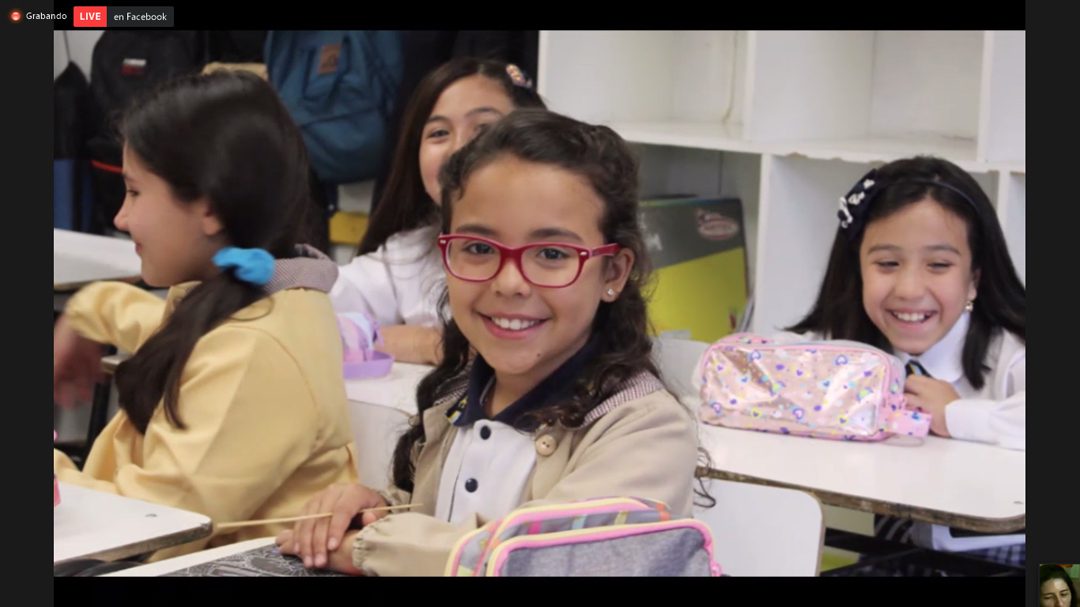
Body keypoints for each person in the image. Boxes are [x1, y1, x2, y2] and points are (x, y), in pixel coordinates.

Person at [278, 109, 699, 575]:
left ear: (614, 272)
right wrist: (374, 510)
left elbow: (536, 560)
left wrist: (370, 545)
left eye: (552, 254)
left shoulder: (647, 431)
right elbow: (441, 522)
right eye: (479, 249)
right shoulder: (458, 399)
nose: (509, 282)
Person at [52, 71, 358, 560]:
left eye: (134, 192)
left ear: (209, 206)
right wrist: (88, 313)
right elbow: (175, 332)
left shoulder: (256, 351)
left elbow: (150, 526)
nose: (120, 218)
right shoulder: (254, 296)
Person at [787, 155, 1026, 569]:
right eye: (887, 264)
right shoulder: (844, 352)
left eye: (939, 265)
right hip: (892, 560)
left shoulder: (1014, 353)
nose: (910, 289)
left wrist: (955, 416)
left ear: (975, 278)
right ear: (858, 270)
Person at [330, 58, 546, 365]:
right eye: (439, 133)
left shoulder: (563, 250)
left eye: (484, 129)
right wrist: (425, 343)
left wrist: (433, 343)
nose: (457, 149)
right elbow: (313, 316)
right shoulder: (408, 255)